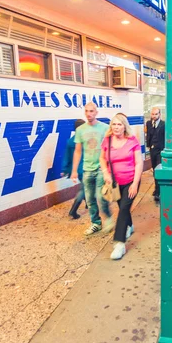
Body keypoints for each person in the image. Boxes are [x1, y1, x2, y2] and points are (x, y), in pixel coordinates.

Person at [100, 114, 143, 260]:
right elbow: (102, 158)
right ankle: (129, 225)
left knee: (124, 208)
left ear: (124, 126)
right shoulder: (107, 140)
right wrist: (105, 172)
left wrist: (135, 183)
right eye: (114, 124)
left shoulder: (132, 141)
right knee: (123, 208)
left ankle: (119, 244)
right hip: (115, 184)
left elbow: (139, 163)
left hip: (131, 181)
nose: (116, 127)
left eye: (119, 124)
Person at [71, 102, 114, 236]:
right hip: (87, 169)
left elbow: (111, 149)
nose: (89, 114)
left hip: (101, 168)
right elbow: (77, 151)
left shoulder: (105, 128)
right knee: (89, 199)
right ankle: (96, 222)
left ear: (96, 112)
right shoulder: (80, 130)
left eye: (91, 111)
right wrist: (74, 170)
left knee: (100, 197)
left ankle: (108, 218)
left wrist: (110, 170)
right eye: (87, 111)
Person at [61, 119, 86, 219]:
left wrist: (64, 169)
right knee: (84, 189)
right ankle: (73, 210)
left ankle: (88, 203)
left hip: (76, 170)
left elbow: (66, 156)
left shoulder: (70, 141)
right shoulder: (86, 140)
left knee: (85, 187)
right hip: (85, 168)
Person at [145, 107, 165, 202]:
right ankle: (157, 188)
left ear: (159, 114)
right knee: (154, 169)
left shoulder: (164, 124)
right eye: (152, 114)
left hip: (160, 151)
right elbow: (148, 135)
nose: (154, 116)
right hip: (152, 150)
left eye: (156, 114)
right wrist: (148, 146)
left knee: (157, 170)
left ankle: (158, 191)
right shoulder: (149, 123)